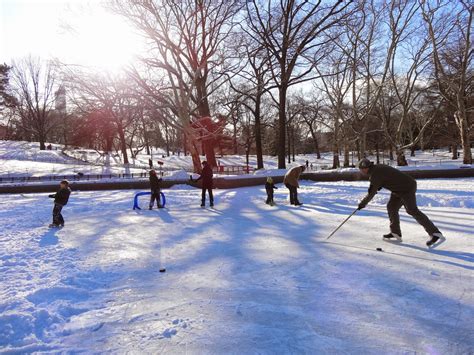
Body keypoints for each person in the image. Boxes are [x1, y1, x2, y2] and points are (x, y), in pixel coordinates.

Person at [357, 158, 445, 247]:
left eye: (361, 169)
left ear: (366, 168)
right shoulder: (377, 168)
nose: (361, 171)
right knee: (392, 207)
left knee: (412, 210)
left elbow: (371, 193)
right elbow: (387, 177)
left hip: (407, 187)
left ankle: (435, 233)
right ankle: (395, 233)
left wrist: (362, 204)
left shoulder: (375, 175)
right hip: (398, 189)